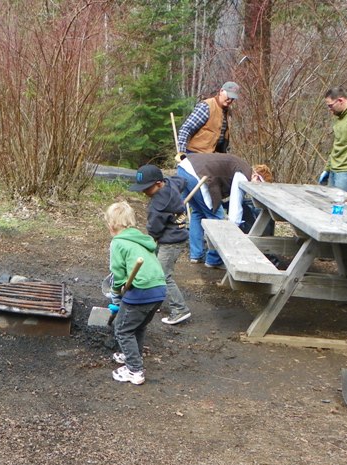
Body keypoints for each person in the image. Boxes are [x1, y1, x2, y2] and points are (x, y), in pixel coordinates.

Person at [104, 201, 167, 385]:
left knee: (122, 329)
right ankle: (132, 356)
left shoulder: (119, 242)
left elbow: (118, 272)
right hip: (159, 290)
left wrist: (116, 293)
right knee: (137, 326)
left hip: (141, 291)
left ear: (112, 224)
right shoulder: (142, 240)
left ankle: (135, 371)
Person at [176, 153, 270, 268]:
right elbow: (236, 201)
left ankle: (196, 255)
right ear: (256, 176)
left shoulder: (242, 167)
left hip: (184, 168)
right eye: (259, 184)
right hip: (197, 174)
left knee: (198, 213)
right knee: (217, 219)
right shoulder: (243, 175)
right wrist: (233, 227)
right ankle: (213, 260)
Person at [129, 165, 192, 326]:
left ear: (158, 183)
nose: (144, 192)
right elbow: (182, 180)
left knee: (163, 275)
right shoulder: (170, 183)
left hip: (171, 243)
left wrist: (147, 243)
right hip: (173, 237)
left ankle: (180, 309)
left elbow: (154, 229)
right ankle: (154, 299)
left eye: (146, 188)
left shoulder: (158, 204)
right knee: (154, 268)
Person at [176, 82, 240, 157]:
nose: (230, 100)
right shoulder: (206, 106)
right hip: (196, 154)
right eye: (228, 96)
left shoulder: (228, 112)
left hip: (213, 155)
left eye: (233, 98)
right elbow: (186, 129)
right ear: (221, 91)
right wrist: (182, 152)